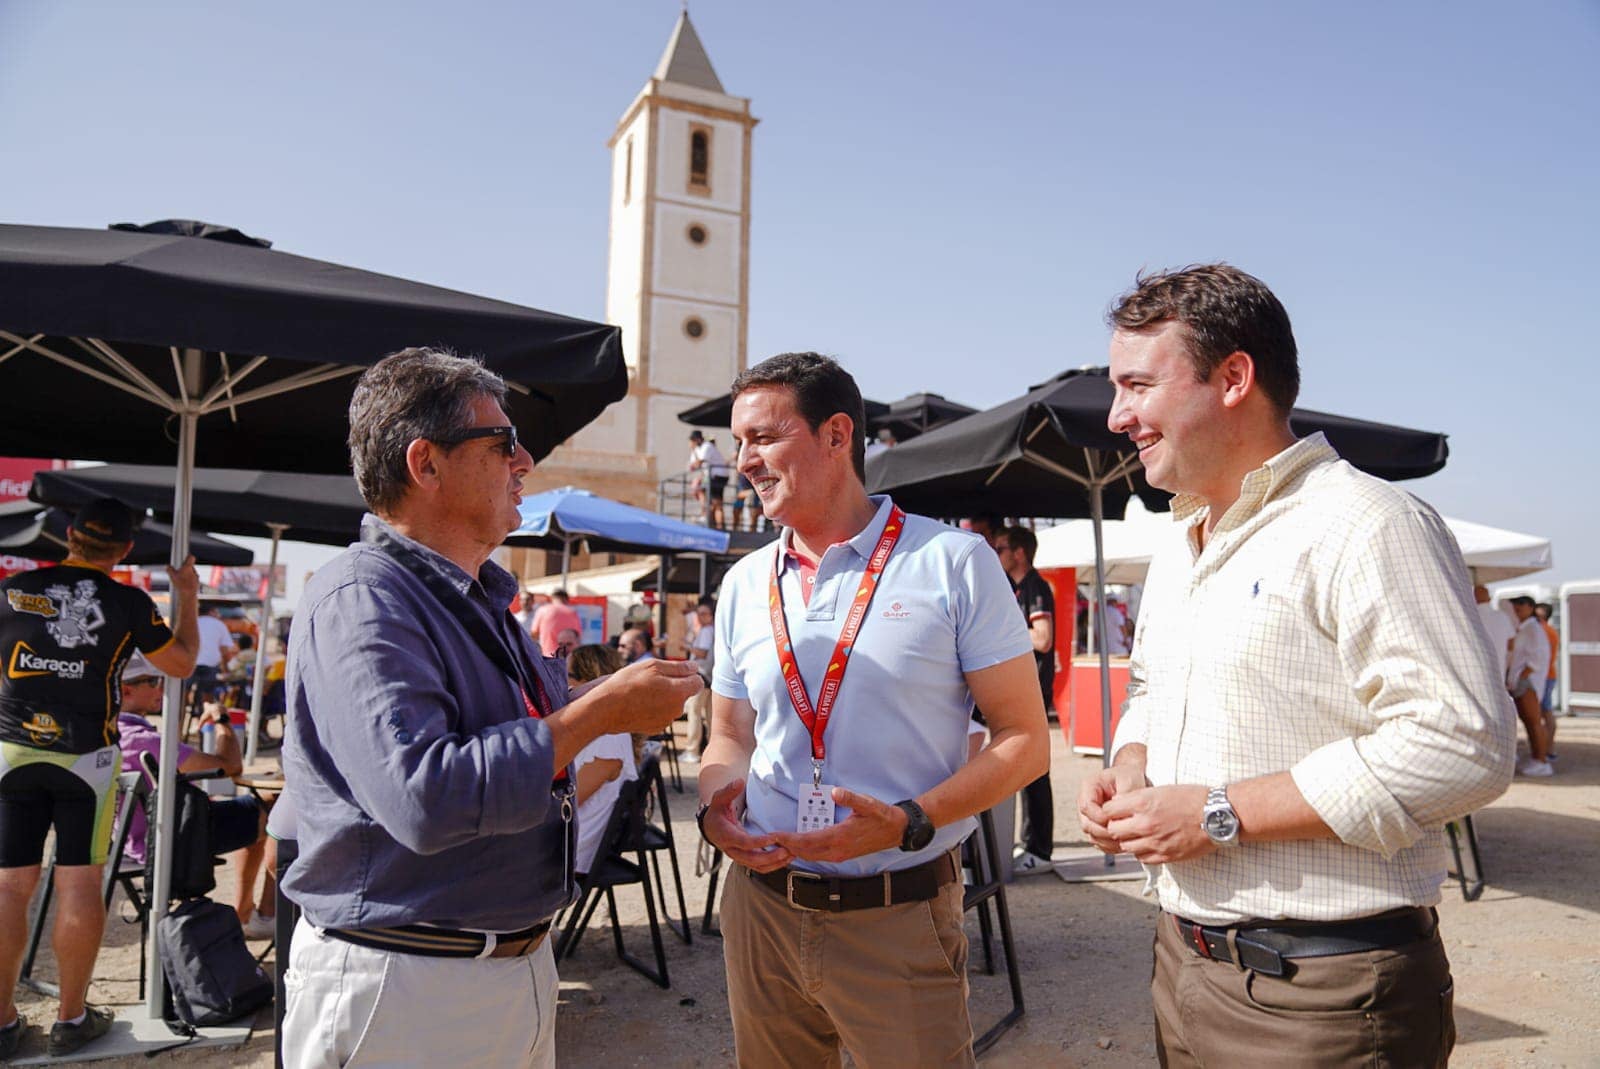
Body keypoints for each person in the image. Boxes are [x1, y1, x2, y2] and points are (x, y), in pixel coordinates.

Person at [1079, 265, 1513, 1068]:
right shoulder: (1180, 544)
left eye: (1137, 385)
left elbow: (1464, 746)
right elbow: (1148, 686)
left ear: (1234, 376)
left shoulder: (1369, 524)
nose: (1118, 415)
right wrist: (1131, 763)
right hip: (1184, 964)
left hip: (1324, 995)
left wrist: (1215, 812)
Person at [278, 347, 703, 1069]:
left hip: (498, 967)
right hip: (405, 981)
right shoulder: (364, 598)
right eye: (502, 441)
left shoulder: (475, 597)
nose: (526, 459)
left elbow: (501, 726)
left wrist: (601, 697)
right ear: (427, 463)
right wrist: (600, 713)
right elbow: (426, 796)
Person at [699, 351, 1049, 1067]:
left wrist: (911, 819)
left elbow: (1024, 740)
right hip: (763, 906)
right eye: (739, 443)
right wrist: (715, 808)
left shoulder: (952, 561)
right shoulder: (743, 582)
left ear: (836, 435)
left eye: (763, 437)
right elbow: (728, 735)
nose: (744, 462)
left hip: (898, 909)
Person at [0, 498, 200, 1058]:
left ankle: (1, 1021)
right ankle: (71, 1018)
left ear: (67, 534)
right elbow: (182, 663)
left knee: (10, 887)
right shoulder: (128, 602)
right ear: (126, 549)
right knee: (79, 883)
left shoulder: (13, 590)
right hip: (86, 760)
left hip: (12, 753)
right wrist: (186, 594)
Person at [115, 651, 275, 938]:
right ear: (127, 689)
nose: (161, 688)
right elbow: (229, 765)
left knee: (255, 807)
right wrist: (222, 719)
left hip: (133, 840)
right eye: (153, 681)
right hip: (173, 839)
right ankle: (268, 914)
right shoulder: (144, 741)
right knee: (278, 807)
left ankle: (245, 910)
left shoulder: (112, 733)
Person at [993, 525, 1057, 875]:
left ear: (1019, 553)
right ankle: (1031, 844)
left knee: (1036, 770)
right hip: (1024, 691)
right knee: (1027, 769)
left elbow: (1043, 638)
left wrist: (1005, 629)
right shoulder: (1020, 587)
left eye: (1001, 549)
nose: (997, 555)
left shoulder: (1034, 586)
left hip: (1034, 691)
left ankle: (1040, 849)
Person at [564, 644, 638, 877]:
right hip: (565, 840)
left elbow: (569, 800)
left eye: (567, 677)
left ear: (589, 683)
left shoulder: (609, 736)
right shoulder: (601, 728)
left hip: (570, 851)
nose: (562, 685)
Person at [1506, 595, 1553, 776]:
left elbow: (1537, 658)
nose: (1517, 608)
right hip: (1521, 679)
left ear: (1530, 607)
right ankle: (1537, 758)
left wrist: (1522, 677)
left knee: (1534, 722)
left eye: (1521, 605)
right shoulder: (1525, 627)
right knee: (1529, 721)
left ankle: (1541, 760)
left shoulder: (1533, 628)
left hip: (1528, 681)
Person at [680, 598, 716, 763]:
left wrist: (687, 647)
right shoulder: (713, 629)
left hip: (702, 674)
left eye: (704, 614)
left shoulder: (707, 630)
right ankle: (711, 750)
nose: (700, 617)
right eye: (698, 614)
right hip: (712, 677)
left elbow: (702, 653)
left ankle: (692, 750)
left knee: (694, 713)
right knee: (710, 717)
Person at [688, 429, 732, 529]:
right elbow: (692, 466)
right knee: (710, 499)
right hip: (712, 476)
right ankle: (708, 517)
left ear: (698, 440)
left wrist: (694, 454)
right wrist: (693, 450)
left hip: (718, 476)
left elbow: (698, 463)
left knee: (716, 503)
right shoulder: (698, 449)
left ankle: (717, 524)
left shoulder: (707, 446)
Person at [1474, 584, 1516, 681]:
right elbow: (1511, 644)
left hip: (1477, 671)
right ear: (1489, 599)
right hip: (1499, 670)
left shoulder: (1470, 617)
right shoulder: (1503, 617)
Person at [1535, 602, 1560, 755]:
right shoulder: (1549, 630)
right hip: (1547, 675)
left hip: (1544, 677)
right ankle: (1547, 749)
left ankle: (1547, 749)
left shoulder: (1543, 630)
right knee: (1545, 712)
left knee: (1545, 712)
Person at [530, 589, 582, 657]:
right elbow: (578, 637)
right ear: (566, 599)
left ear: (552, 598)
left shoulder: (542, 610)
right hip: (568, 657)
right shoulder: (573, 612)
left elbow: (534, 634)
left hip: (547, 656)